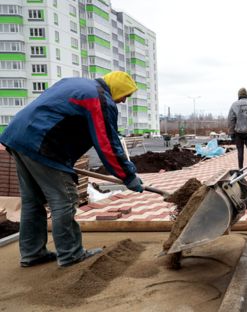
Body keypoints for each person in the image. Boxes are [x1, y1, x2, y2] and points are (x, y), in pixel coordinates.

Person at [0, 71, 144, 268]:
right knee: (65, 201)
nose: (123, 101)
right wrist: (127, 175)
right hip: (42, 144)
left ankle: (33, 254)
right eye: (125, 96)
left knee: (33, 201)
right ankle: (71, 255)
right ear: (117, 89)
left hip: (18, 137)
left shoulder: (76, 84)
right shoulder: (100, 98)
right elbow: (107, 143)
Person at [228, 87, 247, 171]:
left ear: (239, 95)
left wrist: (231, 132)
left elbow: (231, 119)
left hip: (238, 132)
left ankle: (240, 170)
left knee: (240, 151)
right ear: (246, 95)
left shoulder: (234, 105)